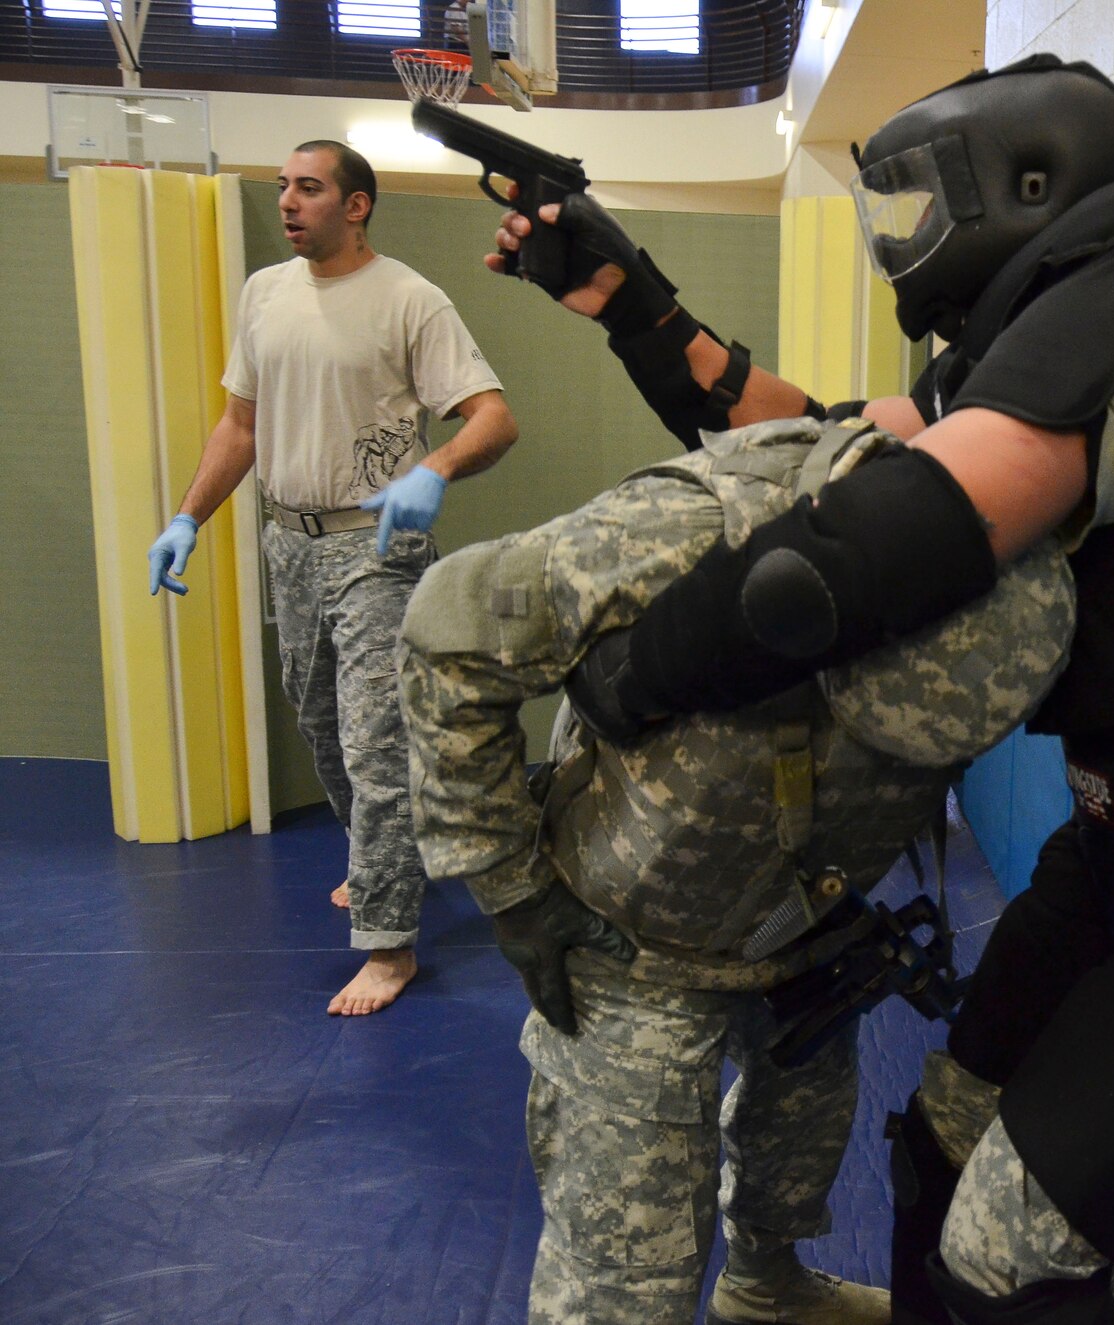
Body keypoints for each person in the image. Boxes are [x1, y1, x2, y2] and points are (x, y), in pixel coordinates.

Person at [488, 55, 1114, 1325]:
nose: (901, 245)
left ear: (1025, 179)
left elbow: (879, 538)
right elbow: (823, 442)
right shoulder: (1042, 334)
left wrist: (637, 674)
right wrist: (641, 312)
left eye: (912, 206)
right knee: (940, 1139)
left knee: (1007, 1261)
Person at [397, 412, 1075, 1325]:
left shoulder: (1028, 545)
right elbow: (448, 630)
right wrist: (510, 889)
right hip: (631, 940)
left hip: (802, 924)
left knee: (797, 1139)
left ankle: (765, 1286)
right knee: (626, 1269)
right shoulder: (689, 538)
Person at [146, 140, 519, 1017]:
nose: (287, 201)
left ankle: (390, 946)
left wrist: (436, 471)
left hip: (374, 548)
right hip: (290, 542)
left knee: (374, 742)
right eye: (283, 187)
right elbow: (240, 424)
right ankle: (381, 859)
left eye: (308, 189)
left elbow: (493, 419)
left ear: (356, 207)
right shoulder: (265, 294)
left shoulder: (409, 299)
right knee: (320, 724)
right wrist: (186, 518)